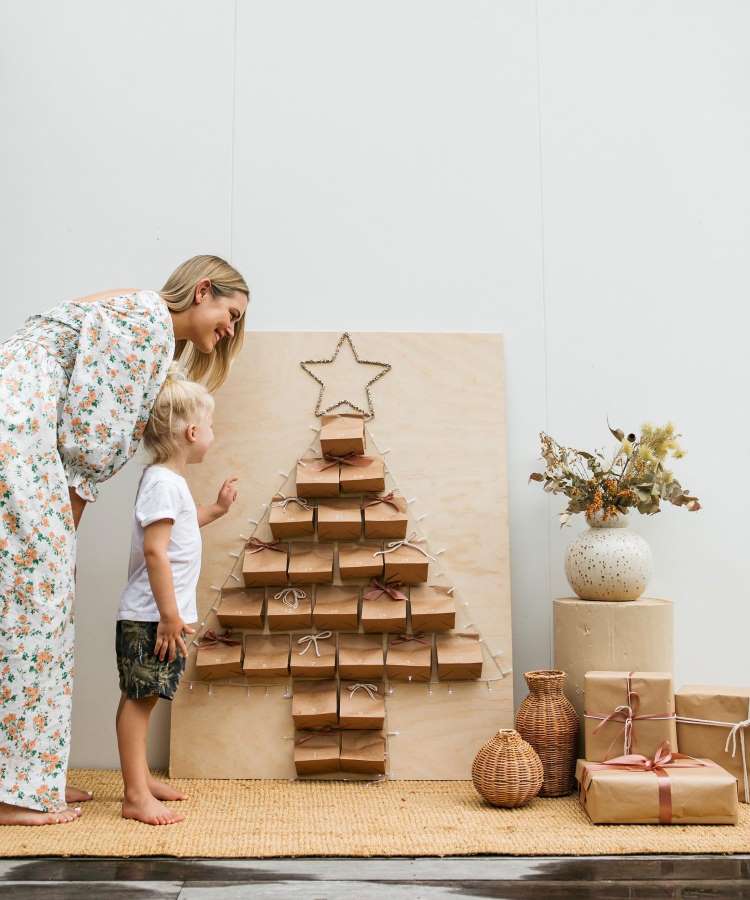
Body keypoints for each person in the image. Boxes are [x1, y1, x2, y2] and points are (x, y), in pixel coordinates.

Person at [0, 255, 248, 825]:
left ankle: (33, 777)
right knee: (33, 606)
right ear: (203, 290)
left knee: (32, 610)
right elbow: (87, 440)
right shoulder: (146, 330)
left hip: (24, 429)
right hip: (20, 438)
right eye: (230, 314)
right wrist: (63, 531)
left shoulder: (138, 313)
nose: (229, 330)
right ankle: (17, 793)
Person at [116, 365, 237, 825]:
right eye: (210, 426)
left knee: (141, 696)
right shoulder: (165, 483)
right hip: (153, 617)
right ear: (191, 431)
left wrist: (218, 510)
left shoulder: (169, 483)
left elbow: (179, 530)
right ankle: (134, 795)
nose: (212, 434)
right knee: (139, 700)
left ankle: (140, 780)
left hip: (158, 615)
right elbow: (155, 550)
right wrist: (169, 615)